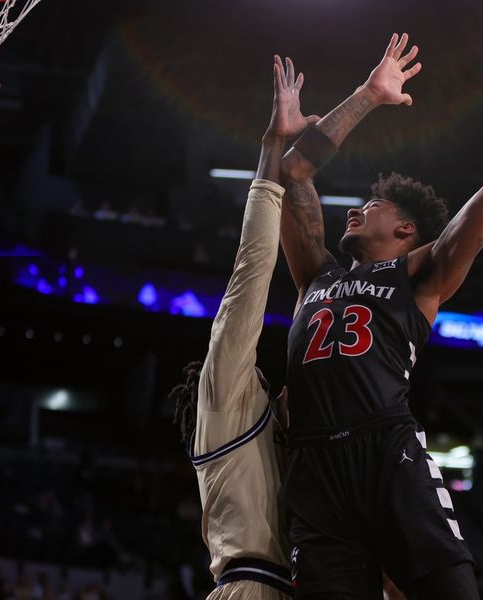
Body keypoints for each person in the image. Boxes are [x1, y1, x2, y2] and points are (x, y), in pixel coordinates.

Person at [278, 33, 483, 599]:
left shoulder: (420, 274)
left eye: (375, 207)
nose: (357, 209)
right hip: (314, 470)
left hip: (387, 454)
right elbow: (294, 172)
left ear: (407, 231)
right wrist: (369, 94)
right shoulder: (315, 276)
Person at [169, 55, 319, 599]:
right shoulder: (226, 392)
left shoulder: (267, 438)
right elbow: (252, 269)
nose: (283, 393)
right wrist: (271, 148)